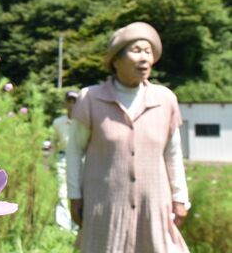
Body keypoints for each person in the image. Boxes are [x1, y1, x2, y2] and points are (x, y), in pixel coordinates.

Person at [66, 22, 190, 252]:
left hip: (153, 204)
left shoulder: (165, 99)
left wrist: (181, 198)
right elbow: (74, 151)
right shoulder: (90, 98)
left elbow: (173, 154)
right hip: (105, 205)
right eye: (136, 51)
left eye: (148, 52)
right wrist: (74, 196)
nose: (144, 58)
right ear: (116, 60)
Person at [52, 90, 79, 231]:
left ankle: (77, 224)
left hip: (81, 158)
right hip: (63, 157)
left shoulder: (84, 121)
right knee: (61, 191)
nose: (72, 104)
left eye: (75, 101)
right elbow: (53, 142)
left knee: (78, 192)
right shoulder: (58, 122)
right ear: (65, 103)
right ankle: (63, 226)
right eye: (69, 101)